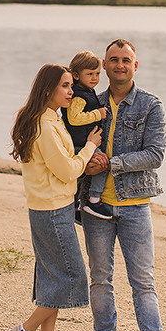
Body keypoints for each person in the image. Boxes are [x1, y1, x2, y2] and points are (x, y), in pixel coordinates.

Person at [82, 38, 166, 331]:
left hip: (136, 206)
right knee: (100, 278)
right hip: (96, 206)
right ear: (105, 66)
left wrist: (110, 163)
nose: (120, 65)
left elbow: (155, 155)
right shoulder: (88, 104)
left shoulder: (151, 106)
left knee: (143, 282)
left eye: (126, 60)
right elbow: (73, 147)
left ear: (135, 66)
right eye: (114, 60)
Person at [7, 64, 103, 331]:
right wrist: (89, 148)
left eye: (70, 85)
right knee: (71, 278)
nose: (71, 91)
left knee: (52, 279)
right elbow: (67, 171)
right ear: (48, 90)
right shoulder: (46, 128)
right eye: (64, 86)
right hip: (51, 212)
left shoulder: (50, 119)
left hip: (52, 208)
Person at [60, 50, 112, 222]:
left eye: (97, 74)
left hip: (84, 140)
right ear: (76, 75)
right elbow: (73, 119)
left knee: (81, 175)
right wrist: (98, 114)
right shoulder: (79, 95)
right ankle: (94, 200)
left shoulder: (86, 91)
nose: (95, 78)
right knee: (101, 165)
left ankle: (75, 206)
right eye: (89, 74)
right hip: (81, 141)